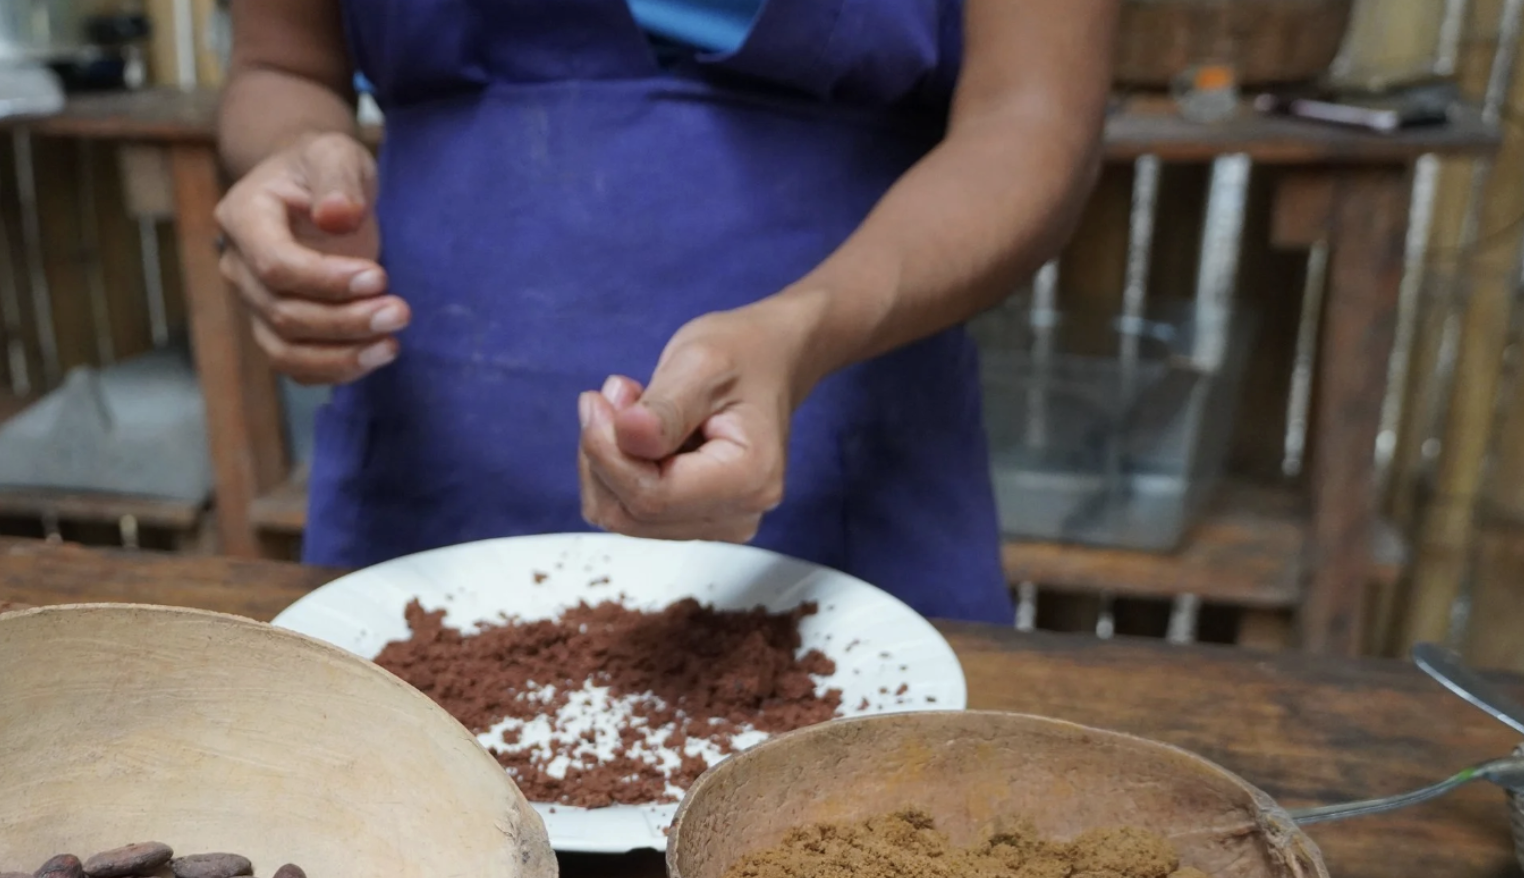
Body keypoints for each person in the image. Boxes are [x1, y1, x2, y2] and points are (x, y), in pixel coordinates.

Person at [215, 0, 1118, 622]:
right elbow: (279, 65)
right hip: (428, 472)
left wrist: (808, 328)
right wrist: (299, 157)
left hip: (852, 455)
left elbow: (1032, 115)